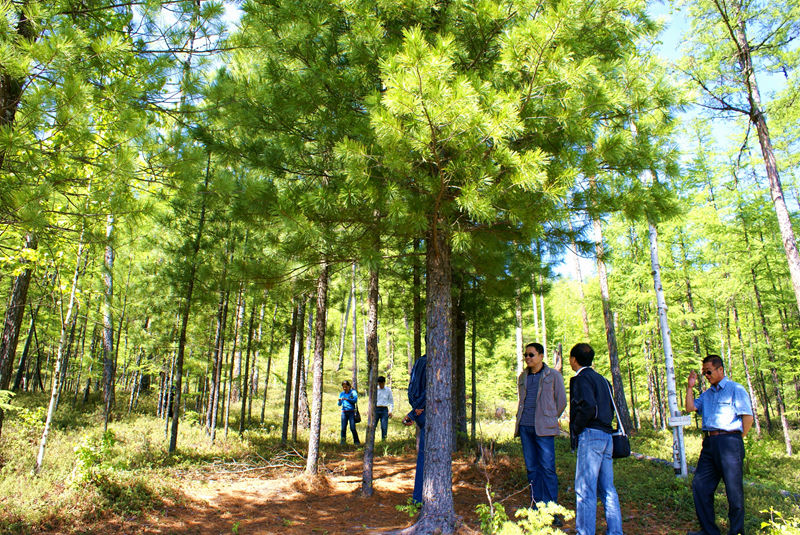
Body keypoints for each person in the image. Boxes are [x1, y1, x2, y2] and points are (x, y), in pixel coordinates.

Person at [685, 355, 753, 535]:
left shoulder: (735, 389)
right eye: (703, 373)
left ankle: (736, 531)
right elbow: (690, 407)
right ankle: (709, 531)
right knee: (700, 485)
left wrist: (737, 439)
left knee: (733, 491)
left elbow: (748, 417)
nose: (706, 375)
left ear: (720, 369)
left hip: (730, 442)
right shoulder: (707, 394)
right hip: (709, 444)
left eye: (708, 371)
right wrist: (690, 387)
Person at [569, 343, 623, 535]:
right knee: (607, 488)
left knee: (585, 489)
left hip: (591, 435)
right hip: (607, 436)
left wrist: (576, 428)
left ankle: (584, 532)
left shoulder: (582, 378)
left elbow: (589, 406)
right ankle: (615, 531)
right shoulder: (603, 380)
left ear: (573, 359)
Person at [514, 342, 567, 507]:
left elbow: (562, 402)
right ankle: (536, 504)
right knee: (531, 468)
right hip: (525, 427)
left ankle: (551, 508)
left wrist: (549, 418)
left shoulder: (553, 375)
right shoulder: (523, 377)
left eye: (531, 355)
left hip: (544, 429)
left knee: (548, 468)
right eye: (526, 355)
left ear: (541, 356)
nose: (528, 358)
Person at [402, 354, 426, 505]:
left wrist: (414, 409)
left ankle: (419, 497)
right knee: (426, 457)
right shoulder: (431, 362)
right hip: (426, 411)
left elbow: (412, 389)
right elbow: (431, 389)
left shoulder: (420, 361)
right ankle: (418, 499)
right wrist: (416, 409)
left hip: (420, 410)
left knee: (425, 456)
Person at [338, 380, 360, 445]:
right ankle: (343, 442)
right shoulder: (342, 394)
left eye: (346, 387)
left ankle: (356, 442)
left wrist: (347, 399)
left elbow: (355, 400)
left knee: (352, 427)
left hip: (351, 412)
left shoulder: (353, 392)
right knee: (343, 428)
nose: (345, 388)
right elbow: (339, 404)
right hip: (344, 412)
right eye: (343, 387)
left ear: (349, 386)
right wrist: (339, 401)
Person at [374, 375, 394, 441]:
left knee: (384, 427)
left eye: (381, 383)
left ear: (384, 383)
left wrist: (390, 411)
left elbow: (391, 401)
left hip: (384, 410)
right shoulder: (375, 390)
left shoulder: (388, 390)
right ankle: (371, 441)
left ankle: (384, 441)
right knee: (373, 426)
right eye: (379, 383)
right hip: (376, 409)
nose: (380, 385)